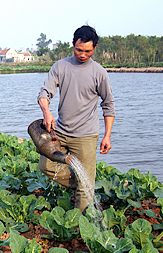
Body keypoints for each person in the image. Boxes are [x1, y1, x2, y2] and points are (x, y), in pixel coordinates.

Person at [37, 25, 115, 212]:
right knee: (45, 165)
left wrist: (107, 136)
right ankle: (84, 183)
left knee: (84, 187)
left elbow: (108, 104)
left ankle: (81, 227)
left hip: (86, 135)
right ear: (73, 45)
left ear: (95, 48)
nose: (82, 54)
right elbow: (44, 93)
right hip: (61, 131)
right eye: (79, 50)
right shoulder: (61, 66)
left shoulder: (99, 73)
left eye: (87, 51)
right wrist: (47, 112)